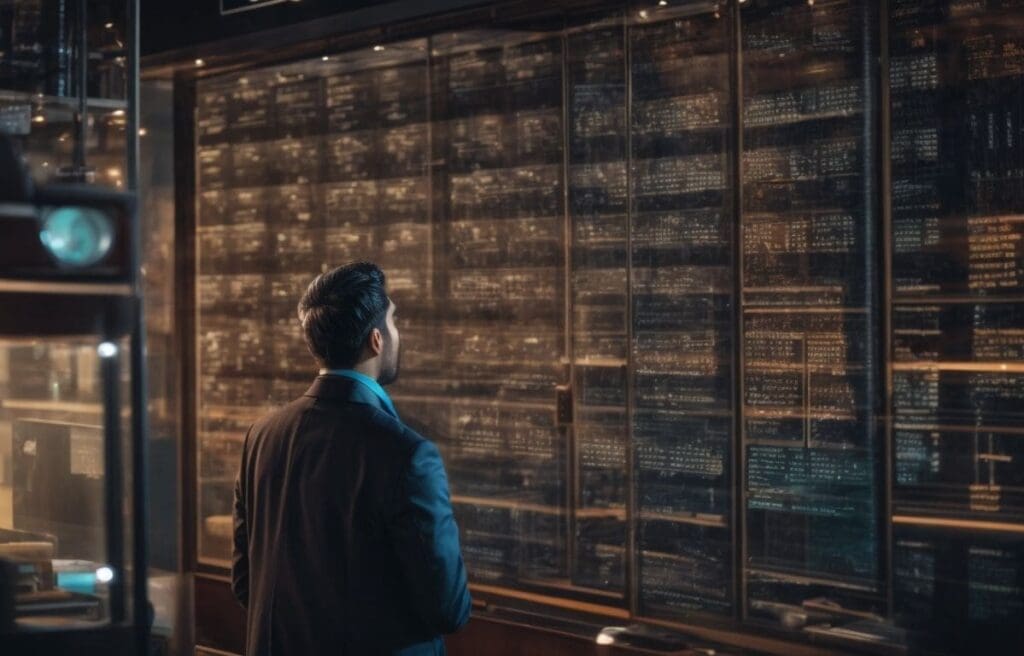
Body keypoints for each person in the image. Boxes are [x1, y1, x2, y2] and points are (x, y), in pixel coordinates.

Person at [231, 262, 471, 655]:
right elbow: (449, 610)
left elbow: (246, 584)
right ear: (376, 340)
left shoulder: (262, 435)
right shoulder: (407, 455)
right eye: (393, 323)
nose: (397, 334)